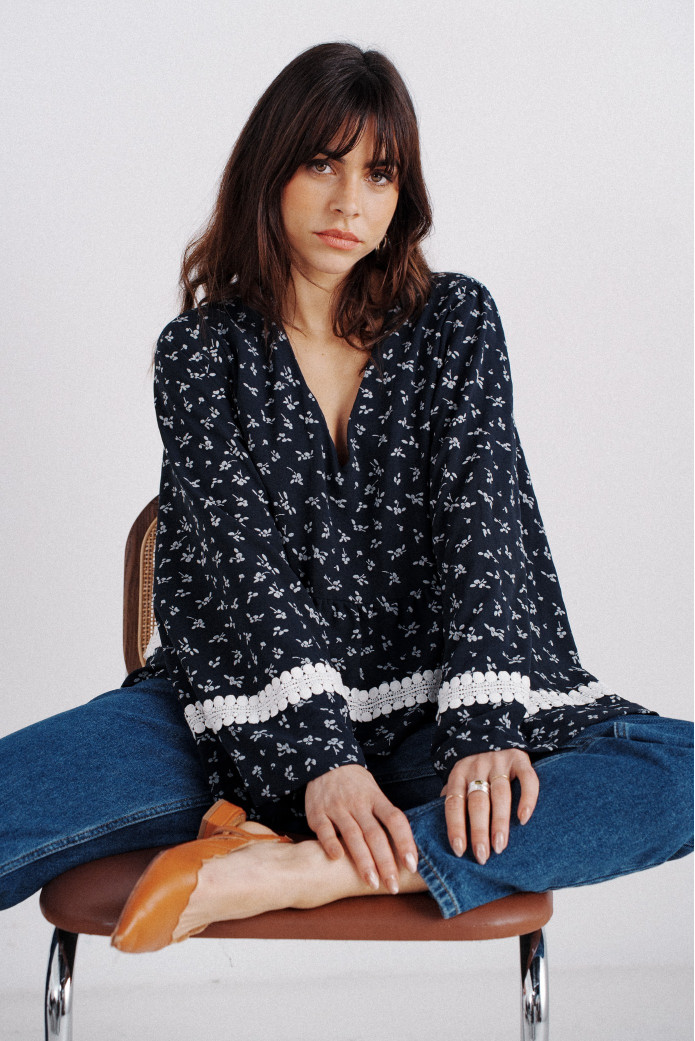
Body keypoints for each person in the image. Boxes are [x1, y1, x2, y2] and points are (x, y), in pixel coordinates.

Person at [1, 43, 692, 953]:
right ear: (270, 171)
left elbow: (486, 533)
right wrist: (320, 757)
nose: (349, 203)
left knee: (676, 768)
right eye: (322, 164)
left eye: (378, 173)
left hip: (429, 717)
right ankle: (346, 837)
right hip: (233, 713)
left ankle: (297, 868)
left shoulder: (455, 324)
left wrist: (482, 729)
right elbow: (243, 575)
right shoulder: (200, 354)